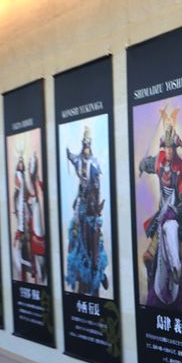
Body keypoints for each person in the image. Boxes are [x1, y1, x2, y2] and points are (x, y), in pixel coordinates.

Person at [138, 109, 182, 311]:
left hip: (178, 215)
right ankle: (152, 283)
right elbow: (149, 164)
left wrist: (175, 212)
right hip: (162, 214)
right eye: (166, 147)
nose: (168, 151)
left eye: (171, 147)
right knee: (151, 254)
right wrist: (142, 164)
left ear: (176, 148)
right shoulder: (159, 161)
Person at [65, 126, 108, 294]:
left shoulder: (94, 163)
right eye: (85, 147)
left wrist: (95, 199)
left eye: (88, 147)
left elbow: (97, 182)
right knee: (75, 224)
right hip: (81, 200)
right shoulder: (79, 160)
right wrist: (68, 152)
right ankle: (75, 260)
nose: (86, 150)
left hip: (93, 202)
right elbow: (72, 157)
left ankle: (99, 269)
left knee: (97, 230)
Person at [11, 148, 45, 284]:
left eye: (22, 163)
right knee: (24, 232)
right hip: (22, 208)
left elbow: (33, 186)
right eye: (19, 163)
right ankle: (26, 259)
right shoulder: (18, 178)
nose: (21, 165)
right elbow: (17, 195)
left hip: (29, 205)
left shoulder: (27, 176)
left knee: (33, 225)